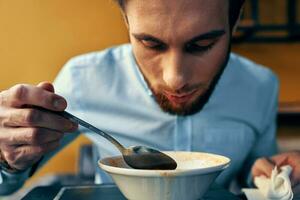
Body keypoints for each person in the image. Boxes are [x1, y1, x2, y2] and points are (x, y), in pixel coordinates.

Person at [0, 0, 299, 195]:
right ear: (126, 22)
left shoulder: (261, 86)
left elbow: (255, 172)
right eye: (150, 43)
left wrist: (273, 172)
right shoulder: (83, 78)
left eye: (202, 44)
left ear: (235, 24)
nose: (175, 79)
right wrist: (7, 158)